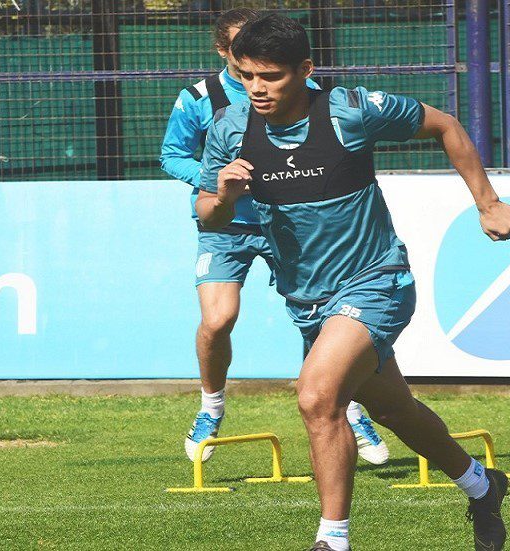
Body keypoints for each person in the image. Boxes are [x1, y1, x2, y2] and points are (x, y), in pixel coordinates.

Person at [195, 14, 510, 551]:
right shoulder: (231, 127)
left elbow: (445, 125)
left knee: (317, 397)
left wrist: (487, 204)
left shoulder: (352, 110)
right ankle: (482, 485)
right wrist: (225, 196)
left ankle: (333, 539)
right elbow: (208, 215)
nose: (257, 87)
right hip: (308, 300)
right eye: (247, 74)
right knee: (393, 410)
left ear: (305, 70)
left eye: (271, 76)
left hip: (376, 282)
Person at [159, 8, 389, 466]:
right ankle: (211, 405)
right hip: (227, 224)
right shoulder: (200, 98)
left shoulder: (302, 93)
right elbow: (171, 155)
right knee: (219, 319)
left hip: (290, 220)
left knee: (326, 319)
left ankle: (350, 406)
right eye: (243, 56)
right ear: (225, 51)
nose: (257, 74)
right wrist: (217, 179)